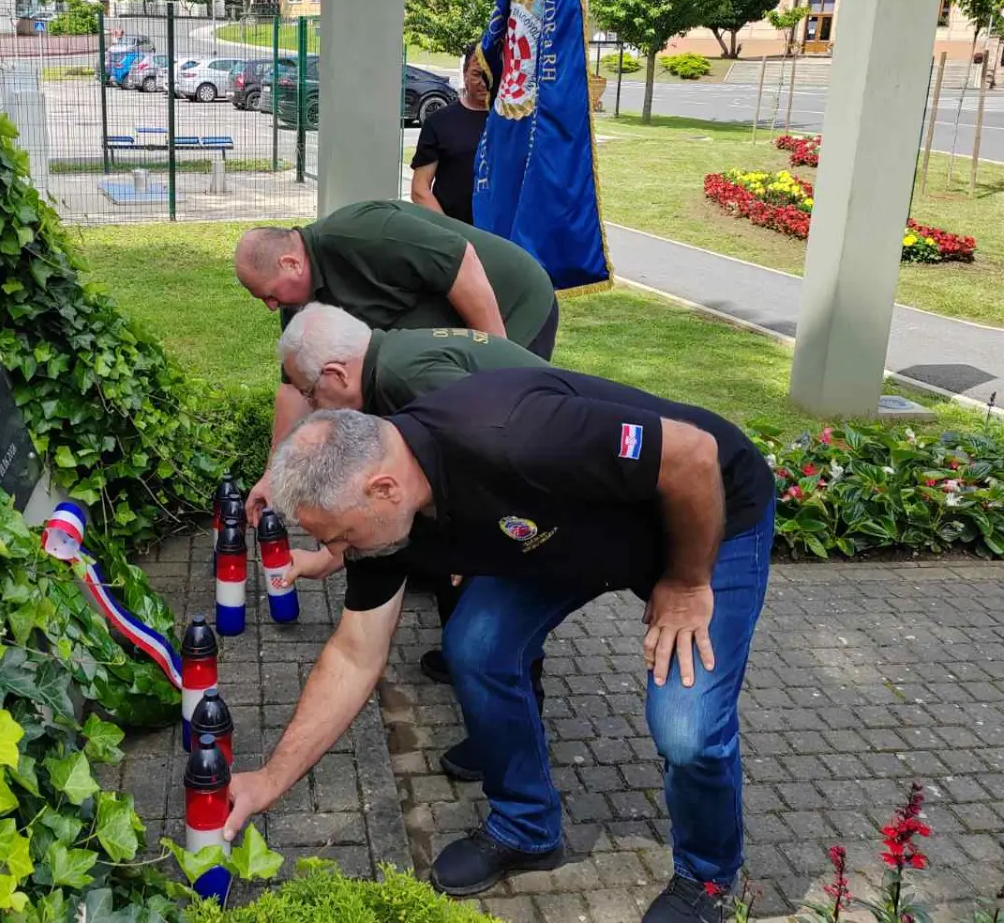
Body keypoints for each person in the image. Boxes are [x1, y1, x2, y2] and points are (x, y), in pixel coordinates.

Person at [220, 368, 776, 923]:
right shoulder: (386, 520)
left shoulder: (515, 433)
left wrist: (685, 581)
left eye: (338, 536)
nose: (336, 551)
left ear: (382, 489)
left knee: (687, 728)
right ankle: (526, 827)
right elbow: (353, 655)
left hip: (707, 515)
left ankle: (708, 877)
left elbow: (692, 454)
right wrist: (270, 778)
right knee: (477, 648)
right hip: (568, 537)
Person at [233, 200, 558, 686]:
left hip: (509, 306)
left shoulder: (361, 234)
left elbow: (462, 263)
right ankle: (443, 572)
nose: (270, 307)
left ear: (290, 263)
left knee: (470, 467)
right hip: (433, 353)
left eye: (270, 296)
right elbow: (292, 389)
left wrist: (495, 377)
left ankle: (495, 648)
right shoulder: (306, 310)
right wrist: (273, 475)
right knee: (428, 475)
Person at [272, 302, 552, 778]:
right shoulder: (386, 366)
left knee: (487, 629)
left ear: (337, 374)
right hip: (504, 495)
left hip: (546, 497)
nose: (312, 405)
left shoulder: (408, 379)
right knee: (455, 595)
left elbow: (489, 454)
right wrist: (331, 556)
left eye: (309, 393)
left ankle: (511, 732)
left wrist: (480, 539)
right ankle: (480, 684)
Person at [410, 53, 492, 224]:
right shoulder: (439, 122)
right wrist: (452, 236)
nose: (483, 82)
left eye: (490, 73)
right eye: (477, 74)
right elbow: (420, 189)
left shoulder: (511, 125)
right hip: (453, 234)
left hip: (501, 237)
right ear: (464, 74)